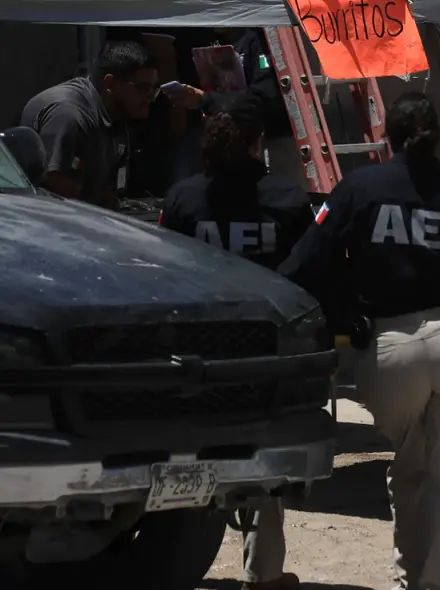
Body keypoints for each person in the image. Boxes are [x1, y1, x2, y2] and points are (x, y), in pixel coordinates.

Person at [278, 92, 440, 590]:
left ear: (384, 137)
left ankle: (410, 579)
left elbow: (304, 266)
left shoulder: (359, 189)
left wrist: (344, 315)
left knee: (411, 464)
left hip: (391, 346)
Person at [159, 94, 314, 590]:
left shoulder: (184, 198)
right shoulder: (288, 199)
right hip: (263, 354)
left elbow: (164, 272)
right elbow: (308, 274)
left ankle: (167, 565)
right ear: (257, 142)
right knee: (261, 463)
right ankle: (263, 574)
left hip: (195, 353)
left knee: (182, 460)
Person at [20, 40, 159, 209]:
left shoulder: (117, 117)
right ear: (110, 84)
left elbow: (108, 192)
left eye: (154, 88)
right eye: (143, 88)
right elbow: (58, 188)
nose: (151, 97)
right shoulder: (69, 115)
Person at [162, 28, 306, 189]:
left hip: (267, 141)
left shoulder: (259, 39)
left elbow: (265, 94)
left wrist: (205, 99)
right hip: (228, 145)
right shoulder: (211, 39)